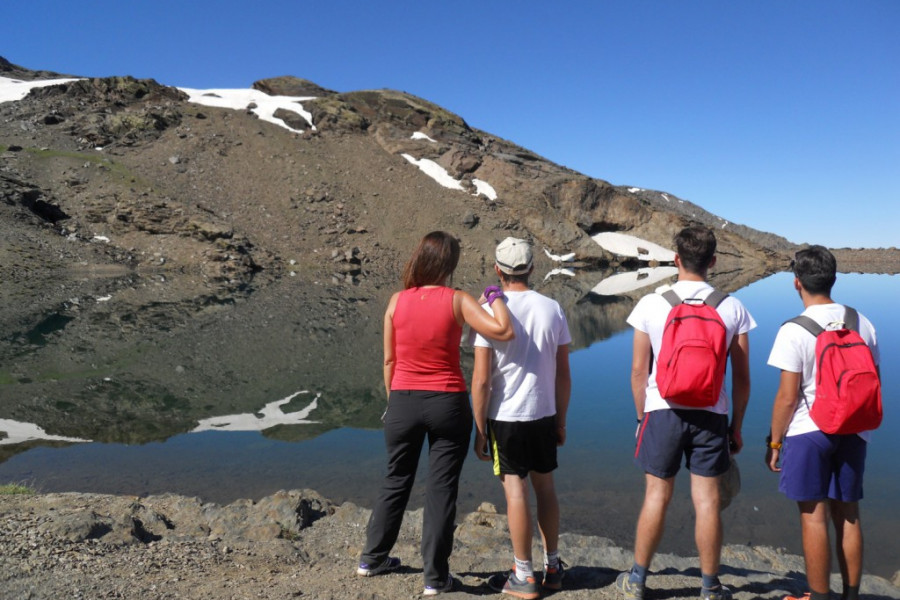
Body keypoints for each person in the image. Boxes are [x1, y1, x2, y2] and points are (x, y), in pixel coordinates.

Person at [357, 231, 514, 596]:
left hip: (402, 400)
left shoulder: (397, 301)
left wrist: (393, 400)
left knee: (396, 479)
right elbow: (502, 331)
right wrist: (495, 297)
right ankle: (435, 579)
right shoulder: (457, 300)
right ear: (450, 265)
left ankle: (371, 559)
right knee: (441, 489)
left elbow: (389, 360)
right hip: (446, 402)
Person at [618, 225, 755, 600]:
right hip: (712, 414)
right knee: (708, 502)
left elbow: (637, 371)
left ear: (676, 260)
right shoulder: (732, 307)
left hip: (661, 410)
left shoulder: (651, 304)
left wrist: (641, 417)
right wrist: (736, 427)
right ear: (712, 262)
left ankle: (636, 581)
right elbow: (742, 379)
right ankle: (710, 588)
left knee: (656, 496)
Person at [765, 246, 880, 600]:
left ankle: (817, 596)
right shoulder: (862, 321)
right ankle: (851, 595)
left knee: (813, 517)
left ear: (796, 283)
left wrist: (775, 442)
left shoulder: (794, 330)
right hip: (854, 428)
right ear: (833, 279)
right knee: (848, 515)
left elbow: (787, 397)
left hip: (808, 431)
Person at [470, 237, 572, 599]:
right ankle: (554, 567)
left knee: (516, 492)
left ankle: (524, 575)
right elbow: (563, 374)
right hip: (543, 413)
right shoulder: (552, 308)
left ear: (497, 270)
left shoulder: (486, 310)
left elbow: (481, 380)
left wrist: (480, 429)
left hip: (506, 417)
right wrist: (560, 420)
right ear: (532, 268)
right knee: (546, 489)